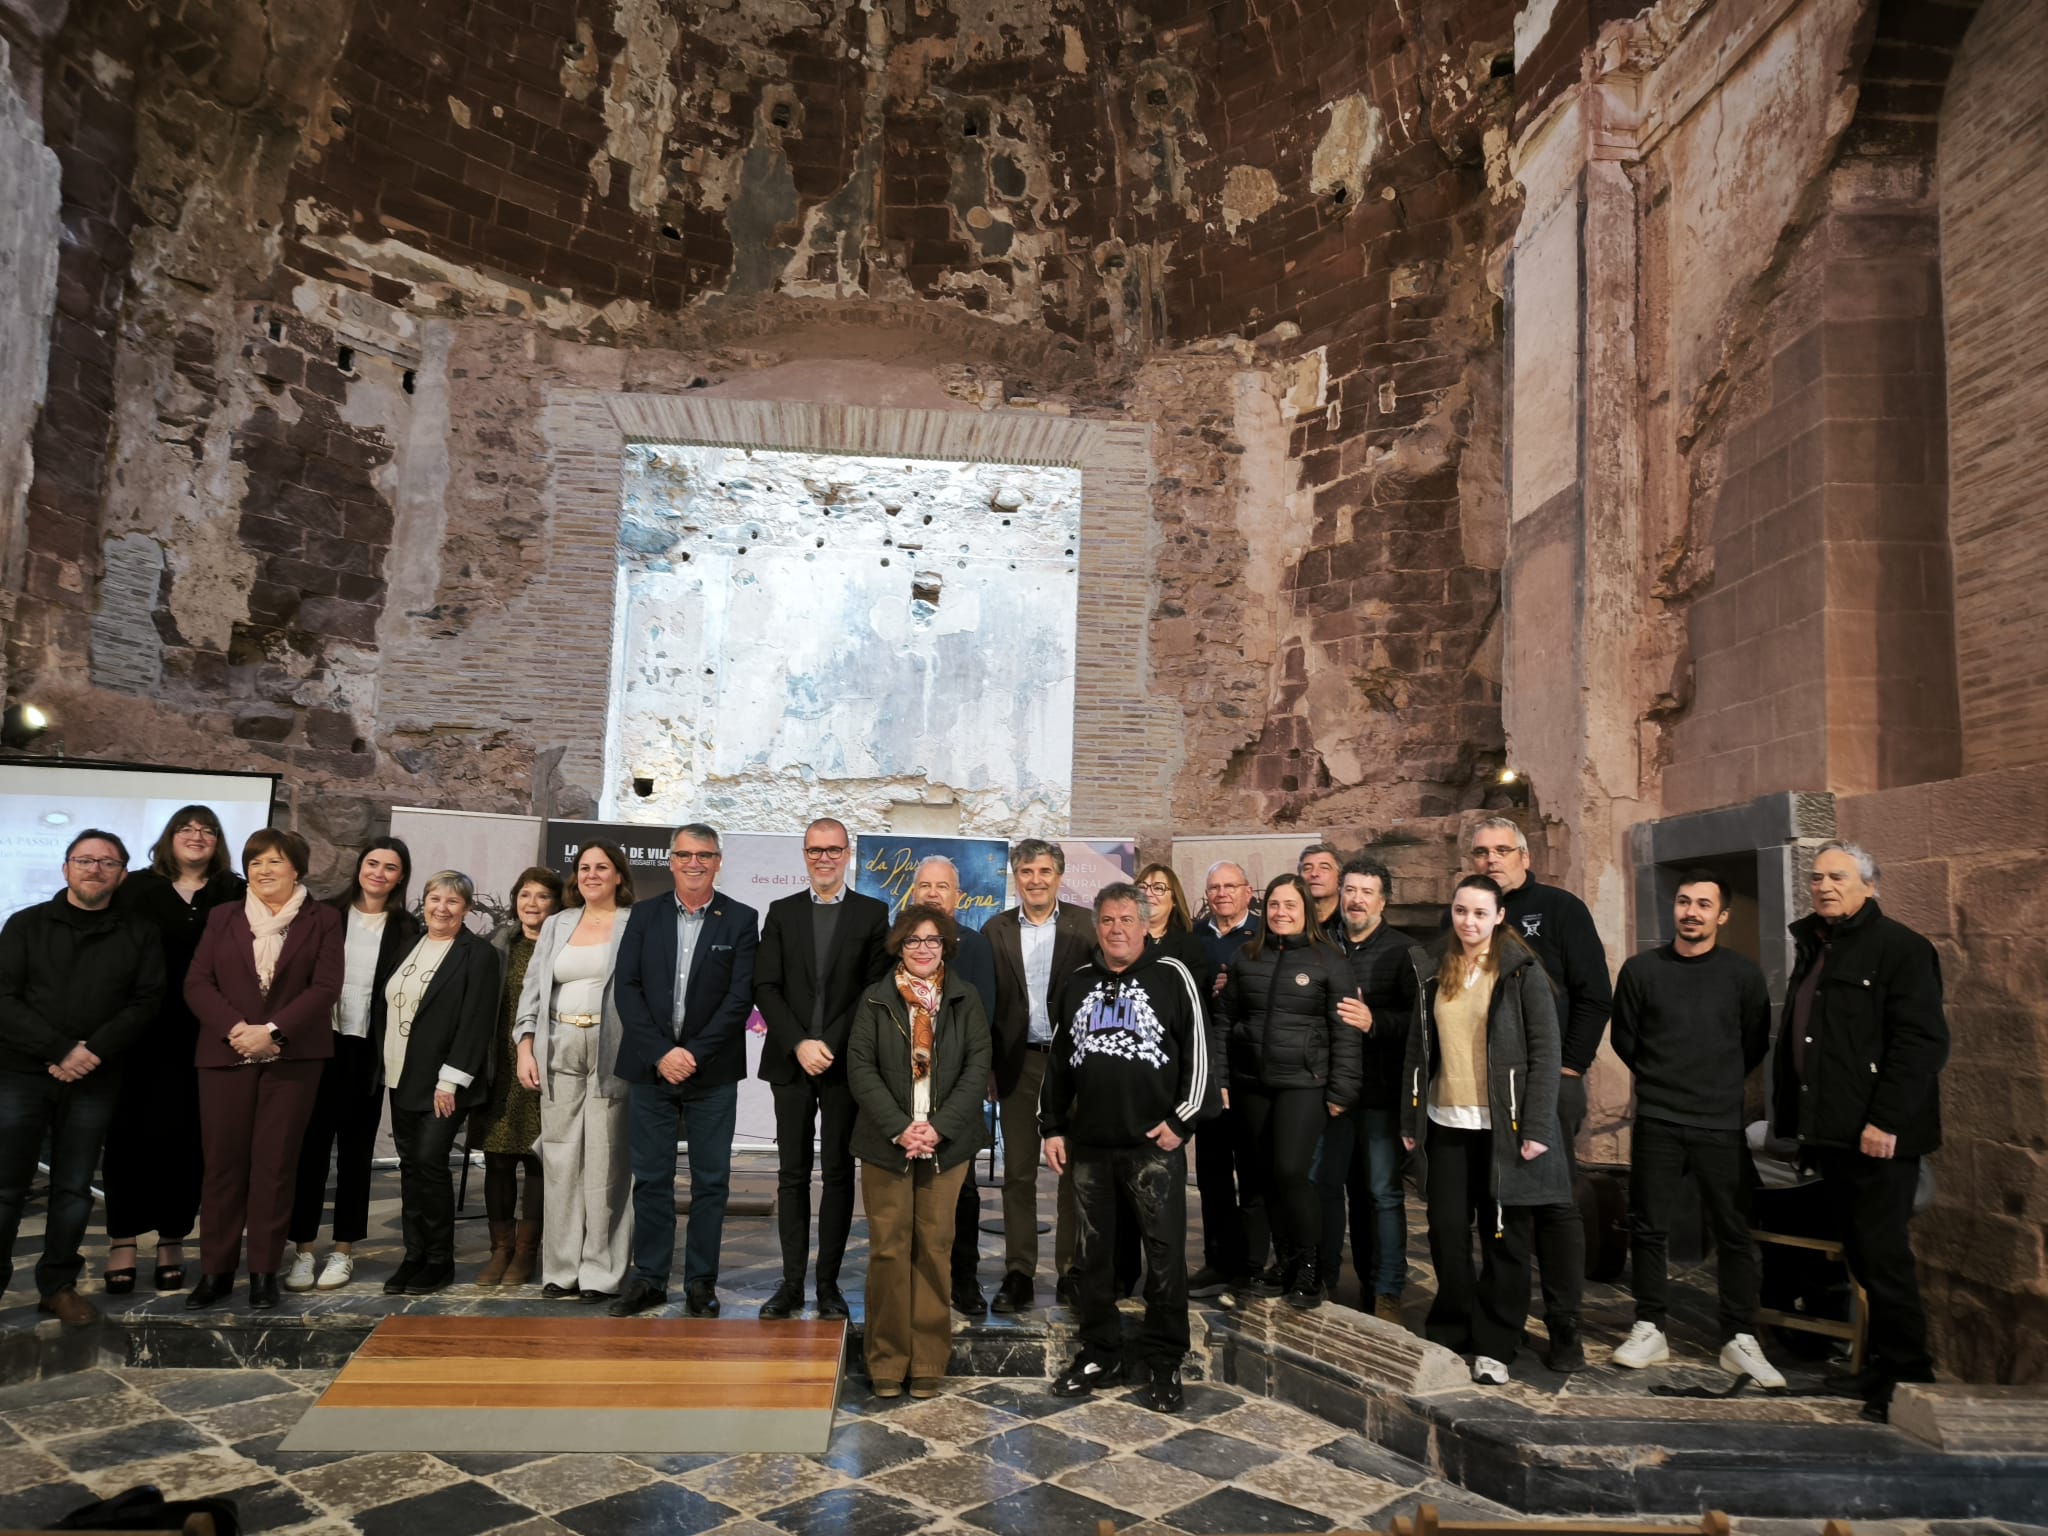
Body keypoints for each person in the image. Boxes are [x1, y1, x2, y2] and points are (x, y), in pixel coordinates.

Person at [1771, 842, 1948, 1422]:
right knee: (1863, 1258)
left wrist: (1886, 1120)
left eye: (1838, 877)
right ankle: (1879, 1367)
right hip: (1834, 1134)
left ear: (1870, 886)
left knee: (1885, 1260)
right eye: (1817, 877)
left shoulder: (1902, 948)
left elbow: (1920, 1044)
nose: (1824, 886)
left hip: (1876, 1136)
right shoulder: (1819, 945)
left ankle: (1910, 1377)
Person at [1043, 882, 1210, 1413]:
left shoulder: (1172, 975)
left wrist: (1182, 1120)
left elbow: (1200, 1052)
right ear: (1097, 927)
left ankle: (1164, 1359)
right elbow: (1058, 1062)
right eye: (1107, 920)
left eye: (1126, 920)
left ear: (1144, 925)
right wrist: (1051, 1126)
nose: (1116, 929)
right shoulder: (1078, 981)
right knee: (1093, 1258)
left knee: (1164, 1256)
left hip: (1152, 1146)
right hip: (1090, 1145)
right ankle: (1100, 1352)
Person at [1609, 871, 1781, 1386]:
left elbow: (1753, 1042)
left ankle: (1739, 1336)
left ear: (1721, 916)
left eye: (1704, 904)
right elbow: (1625, 1039)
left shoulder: (1742, 975)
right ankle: (1650, 1326)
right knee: (1648, 1226)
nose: (1691, 911)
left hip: (1719, 1120)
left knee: (1733, 1231)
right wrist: (1664, 1079)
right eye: (1684, 901)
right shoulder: (1641, 970)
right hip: (1659, 1116)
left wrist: (1714, 1084)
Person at [1401, 874, 1571, 1385]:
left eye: (1479, 913)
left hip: (1505, 1127)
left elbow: (1546, 1054)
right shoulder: (1433, 968)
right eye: (1460, 911)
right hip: (1446, 1122)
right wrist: (1410, 1118)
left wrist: (1535, 1126)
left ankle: (1496, 1341)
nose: (1468, 922)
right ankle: (1453, 1330)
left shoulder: (1521, 972)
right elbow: (1417, 1050)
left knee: (1504, 1239)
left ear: (1499, 917)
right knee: (1447, 1233)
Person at [1462, 815, 1608, 1370]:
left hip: (1551, 1082)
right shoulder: (1470, 915)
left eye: (1502, 850)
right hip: (1490, 1091)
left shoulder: (1561, 909)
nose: (1491, 860)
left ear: (1525, 857)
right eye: (1481, 852)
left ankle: (1565, 1325)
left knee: (1556, 1206)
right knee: (1503, 1209)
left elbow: (1593, 994)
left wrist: (1570, 1068)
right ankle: (1506, 1325)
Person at [0, 831, 164, 1325]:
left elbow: (146, 1001)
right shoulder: (25, 925)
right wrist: (59, 1050)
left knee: (73, 1188)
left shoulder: (139, 933)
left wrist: (90, 1052)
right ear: (66, 868)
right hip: (22, 1072)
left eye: (107, 863)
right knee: (5, 1187)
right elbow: (3, 997)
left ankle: (58, 1287)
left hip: (95, 1075)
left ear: (122, 874)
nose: (95, 869)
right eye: (85, 860)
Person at [184, 828, 345, 1311]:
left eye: (275, 861)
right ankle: (215, 1271)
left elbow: (325, 986)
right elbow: (198, 982)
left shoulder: (323, 919)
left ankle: (262, 1272)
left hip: (292, 1060)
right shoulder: (223, 916)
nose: (263, 870)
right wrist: (237, 1029)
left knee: (275, 1166)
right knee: (222, 1166)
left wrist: (272, 1032)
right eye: (255, 862)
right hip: (225, 1053)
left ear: (297, 868)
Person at [611, 824, 758, 1318]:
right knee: (651, 1179)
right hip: (650, 1069)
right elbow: (627, 988)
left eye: (704, 855)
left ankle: (700, 1282)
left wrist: (692, 1053)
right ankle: (650, 1278)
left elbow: (739, 998)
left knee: (710, 1182)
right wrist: (662, 1053)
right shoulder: (644, 915)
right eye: (685, 855)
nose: (694, 863)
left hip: (711, 1072)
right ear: (671, 861)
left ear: (718, 862)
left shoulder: (741, 919)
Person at [847, 904, 991, 1398]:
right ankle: (886, 1361)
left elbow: (977, 1067)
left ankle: (928, 1359)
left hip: (946, 1145)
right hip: (887, 1143)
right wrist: (901, 1128)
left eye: (932, 940)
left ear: (945, 946)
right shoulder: (875, 999)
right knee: (889, 1249)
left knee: (933, 1249)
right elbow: (860, 1068)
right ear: (899, 946)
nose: (923, 949)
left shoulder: (965, 998)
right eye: (913, 940)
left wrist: (937, 1129)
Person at [755, 818, 891, 1321]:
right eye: (815, 850)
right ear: (805, 855)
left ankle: (828, 1286)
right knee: (791, 1175)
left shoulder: (872, 913)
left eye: (833, 849)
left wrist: (826, 1043)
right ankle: (791, 1284)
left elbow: (872, 989)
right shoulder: (781, 911)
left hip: (842, 1064)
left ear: (847, 854)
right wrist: (799, 1043)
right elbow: (765, 985)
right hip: (790, 1062)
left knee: (837, 1174)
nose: (824, 858)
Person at [103, 806, 243, 1294]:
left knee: (189, 1138)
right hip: (138, 1032)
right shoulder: (136, 888)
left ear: (218, 842)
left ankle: (172, 1238)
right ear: (169, 837)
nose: (196, 835)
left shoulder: (233, 891)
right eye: (186, 828)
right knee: (128, 1135)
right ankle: (122, 1239)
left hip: (206, 1032)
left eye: (207, 830)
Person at [1215, 872, 1358, 1309]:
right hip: (1251, 1083)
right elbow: (1224, 1021)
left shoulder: (1329, 960)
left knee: (1291, 1172)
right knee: (1261, 1176)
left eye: (1290, 905)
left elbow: (1345, 1030)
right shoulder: (1245, 956)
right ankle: (1284, 1262)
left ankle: (1310, 1269)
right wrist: (1221, 1079)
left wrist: (1342, 1089)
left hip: (1304, 1083)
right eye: (1274, 904)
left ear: (1305, 911)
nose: (1281, 912)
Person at [284, 839, 419, 1293]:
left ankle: (343, 1250)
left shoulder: (407, 928)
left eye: (390, 867)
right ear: (359, 867)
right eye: (372, 863)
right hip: (319, 1045)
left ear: (401, 877)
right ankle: (303, 1250)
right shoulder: (323, 914)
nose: (379, 872)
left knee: (356, 1156)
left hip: (369, 1051)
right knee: (310, 1152)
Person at [515, 842, 634, 1303]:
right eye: (584, 867)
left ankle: (601, 1271)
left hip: (612, 1050)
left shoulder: (634, 923)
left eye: (602, 867)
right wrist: (525, 1046)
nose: (592, 874)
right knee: (560, 1160)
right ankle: (561, 1269)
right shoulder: (557, 924)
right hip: (558, 1045)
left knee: (607, 1160)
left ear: (618, 875)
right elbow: (533, 990)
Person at [981, 839, 1095, 1313]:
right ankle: (1019, 1272)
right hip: (1018, 1063)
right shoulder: (996, 929)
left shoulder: (1086, 926)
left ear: (1059, 876)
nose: (1036, 880)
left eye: (1045, 871)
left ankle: (1071, 1271)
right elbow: (986, 1003)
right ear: (1016, 877)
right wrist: (988, 1065)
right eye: (1026, 871)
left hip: (1074, 1066)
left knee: (1074, 1172)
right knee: (1018, 1173)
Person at [375, 871, 500, 1295]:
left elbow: (476, 1022)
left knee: (429, 1162)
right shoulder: (408, 944)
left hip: (444, 1083)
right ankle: (413, 1255)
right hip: (400, 1074)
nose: (441, 908)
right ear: (424, 902)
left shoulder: (477, 954)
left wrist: (450, 1081)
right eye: (434, 899)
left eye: (452, 901)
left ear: (467, 908)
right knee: (410, 1167)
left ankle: (439, 1261)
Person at [1318, 859, 1423, 1321]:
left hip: (1380, 1095)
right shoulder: (1322, 945)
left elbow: (1422, 1024)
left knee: (1381, 1194)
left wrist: (1374, 1021)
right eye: (1350, 890)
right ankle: (1321, 1279)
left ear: (1383, 901)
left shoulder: (1405, 951)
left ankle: (1386, 1291)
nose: (1356, 899)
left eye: (1366, 892)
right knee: (1326, 1189)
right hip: (1330, 1094)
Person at [910, 856, 1002, 1318]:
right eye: (924, 885)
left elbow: (984, 1018)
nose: (932, 893)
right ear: (912, 893)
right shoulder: (895, 943)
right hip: (905, 1087)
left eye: (942, 886)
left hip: (957, 1087)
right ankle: (914, 1274)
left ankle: (964, 1277)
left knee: (962, 1188)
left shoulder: (977, 946)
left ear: (957, 896)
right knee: (907, 1185)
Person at [471, 866, 562, 1286]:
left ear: (556, 904)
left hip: (545, 1065)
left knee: (538, 1161)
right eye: (525, 894)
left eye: (542, 896)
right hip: (500, 1067)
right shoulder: (497, 945)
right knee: (498, 1159)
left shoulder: (564, 945)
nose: (532, 903)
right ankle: (500, 1250)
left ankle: (526, 1253)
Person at [1189, 861, 1262, 1296]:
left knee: (1253, 1173)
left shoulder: (1263, 934)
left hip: (1251, 1068)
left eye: (1230, 886)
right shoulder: (1195, 936)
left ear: (1248, 892)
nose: (1222, 893)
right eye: (1214, 887)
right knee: (1212, 1173)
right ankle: (1217, 1260)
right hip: (1208, 1068)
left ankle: (1251, 1265)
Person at [1137, 864, 1212, 979]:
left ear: (1174, 900)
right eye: (1142, 887)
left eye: (1158, 888)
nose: (1147, 894)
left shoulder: (1190, 947)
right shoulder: (1119, 938)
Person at [1298, 843, 1343, 933]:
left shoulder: (1350, 919)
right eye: (1307, 868)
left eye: (1324, 868)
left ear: (1340, 878)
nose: (1314, 874)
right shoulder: (1291, 918)